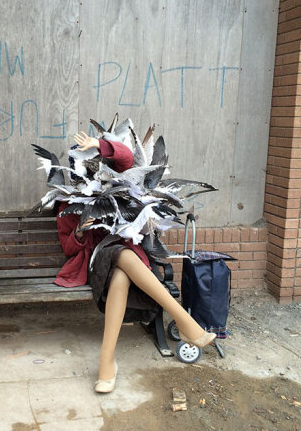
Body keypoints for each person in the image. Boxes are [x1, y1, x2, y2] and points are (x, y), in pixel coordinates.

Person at [54, 132, 216, 393]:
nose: (92, 170)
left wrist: (99, 144)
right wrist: (81, 231)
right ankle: (184, 321)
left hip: (127, 260)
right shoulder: (67, 201)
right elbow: (68, 247)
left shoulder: (116, 182)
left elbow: (126, 159)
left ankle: (107, 362)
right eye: (85, 166)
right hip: (97, 262)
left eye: (95, 163)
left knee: (122, 271)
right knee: (120, 255)